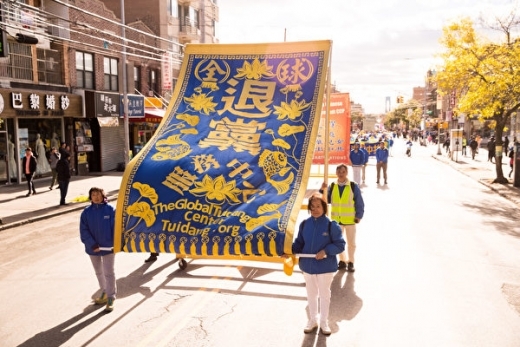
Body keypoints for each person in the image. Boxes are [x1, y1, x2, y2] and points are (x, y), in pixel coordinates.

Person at [291, 194, 345, 335]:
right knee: (311, 295)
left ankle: (324, 322)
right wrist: (288, 251)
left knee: (324, 295)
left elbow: (340, 245)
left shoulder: (331, 225)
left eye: (318, 206)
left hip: (325, 268)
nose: (315, 209)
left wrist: (326, 251)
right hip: (307, 267)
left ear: (324, 207)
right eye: (312, 207)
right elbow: (299, 244)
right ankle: (312, 320)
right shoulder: (304, 224)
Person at [321, 164, 364, 273]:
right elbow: (325, 200)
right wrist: (322, 190)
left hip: (350, 220)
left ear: (346, 173)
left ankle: (351, 262)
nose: (341, 174)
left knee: (351, 243)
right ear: (336, 173)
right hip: (336, 221)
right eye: (339, 172)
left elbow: (359, 202)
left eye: (343, 172)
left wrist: (359, 215)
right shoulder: (332, 186)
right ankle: (342, 261)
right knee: (338, 242)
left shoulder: (353, 186)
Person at [80, 187, 117, 313]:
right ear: (90, 197)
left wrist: (115, 243)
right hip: (93, 248)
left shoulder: (110, 209)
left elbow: (116, 228)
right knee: (99, 272)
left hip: (108, 247)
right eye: (93, 194)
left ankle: (111, 297)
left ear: (103, 195)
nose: (96, 197)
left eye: (98, 194)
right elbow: (83, 231)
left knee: (108, 272)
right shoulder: (86, 212)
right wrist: (92, 244)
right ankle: (104, 291)